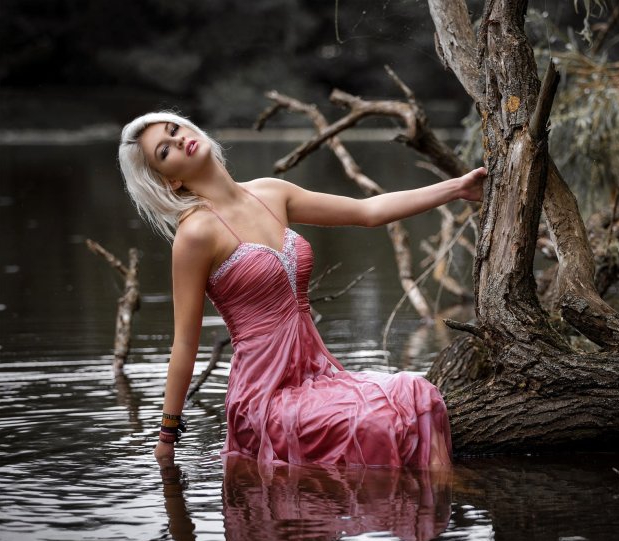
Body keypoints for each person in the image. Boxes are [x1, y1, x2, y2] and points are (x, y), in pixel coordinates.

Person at [118, 111, 486, 469]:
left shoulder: (272, 192)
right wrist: (167, 437)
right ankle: (436, 497)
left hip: (319, 374)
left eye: (174, 129)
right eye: (165, 150)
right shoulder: (195, 234)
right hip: (265, 396)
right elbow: (185, 342)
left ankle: (436, 501)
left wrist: (457, 188)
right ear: (170, 183)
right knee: (381, 422)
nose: (179, 139)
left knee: (416, 393)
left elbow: (367, 211)